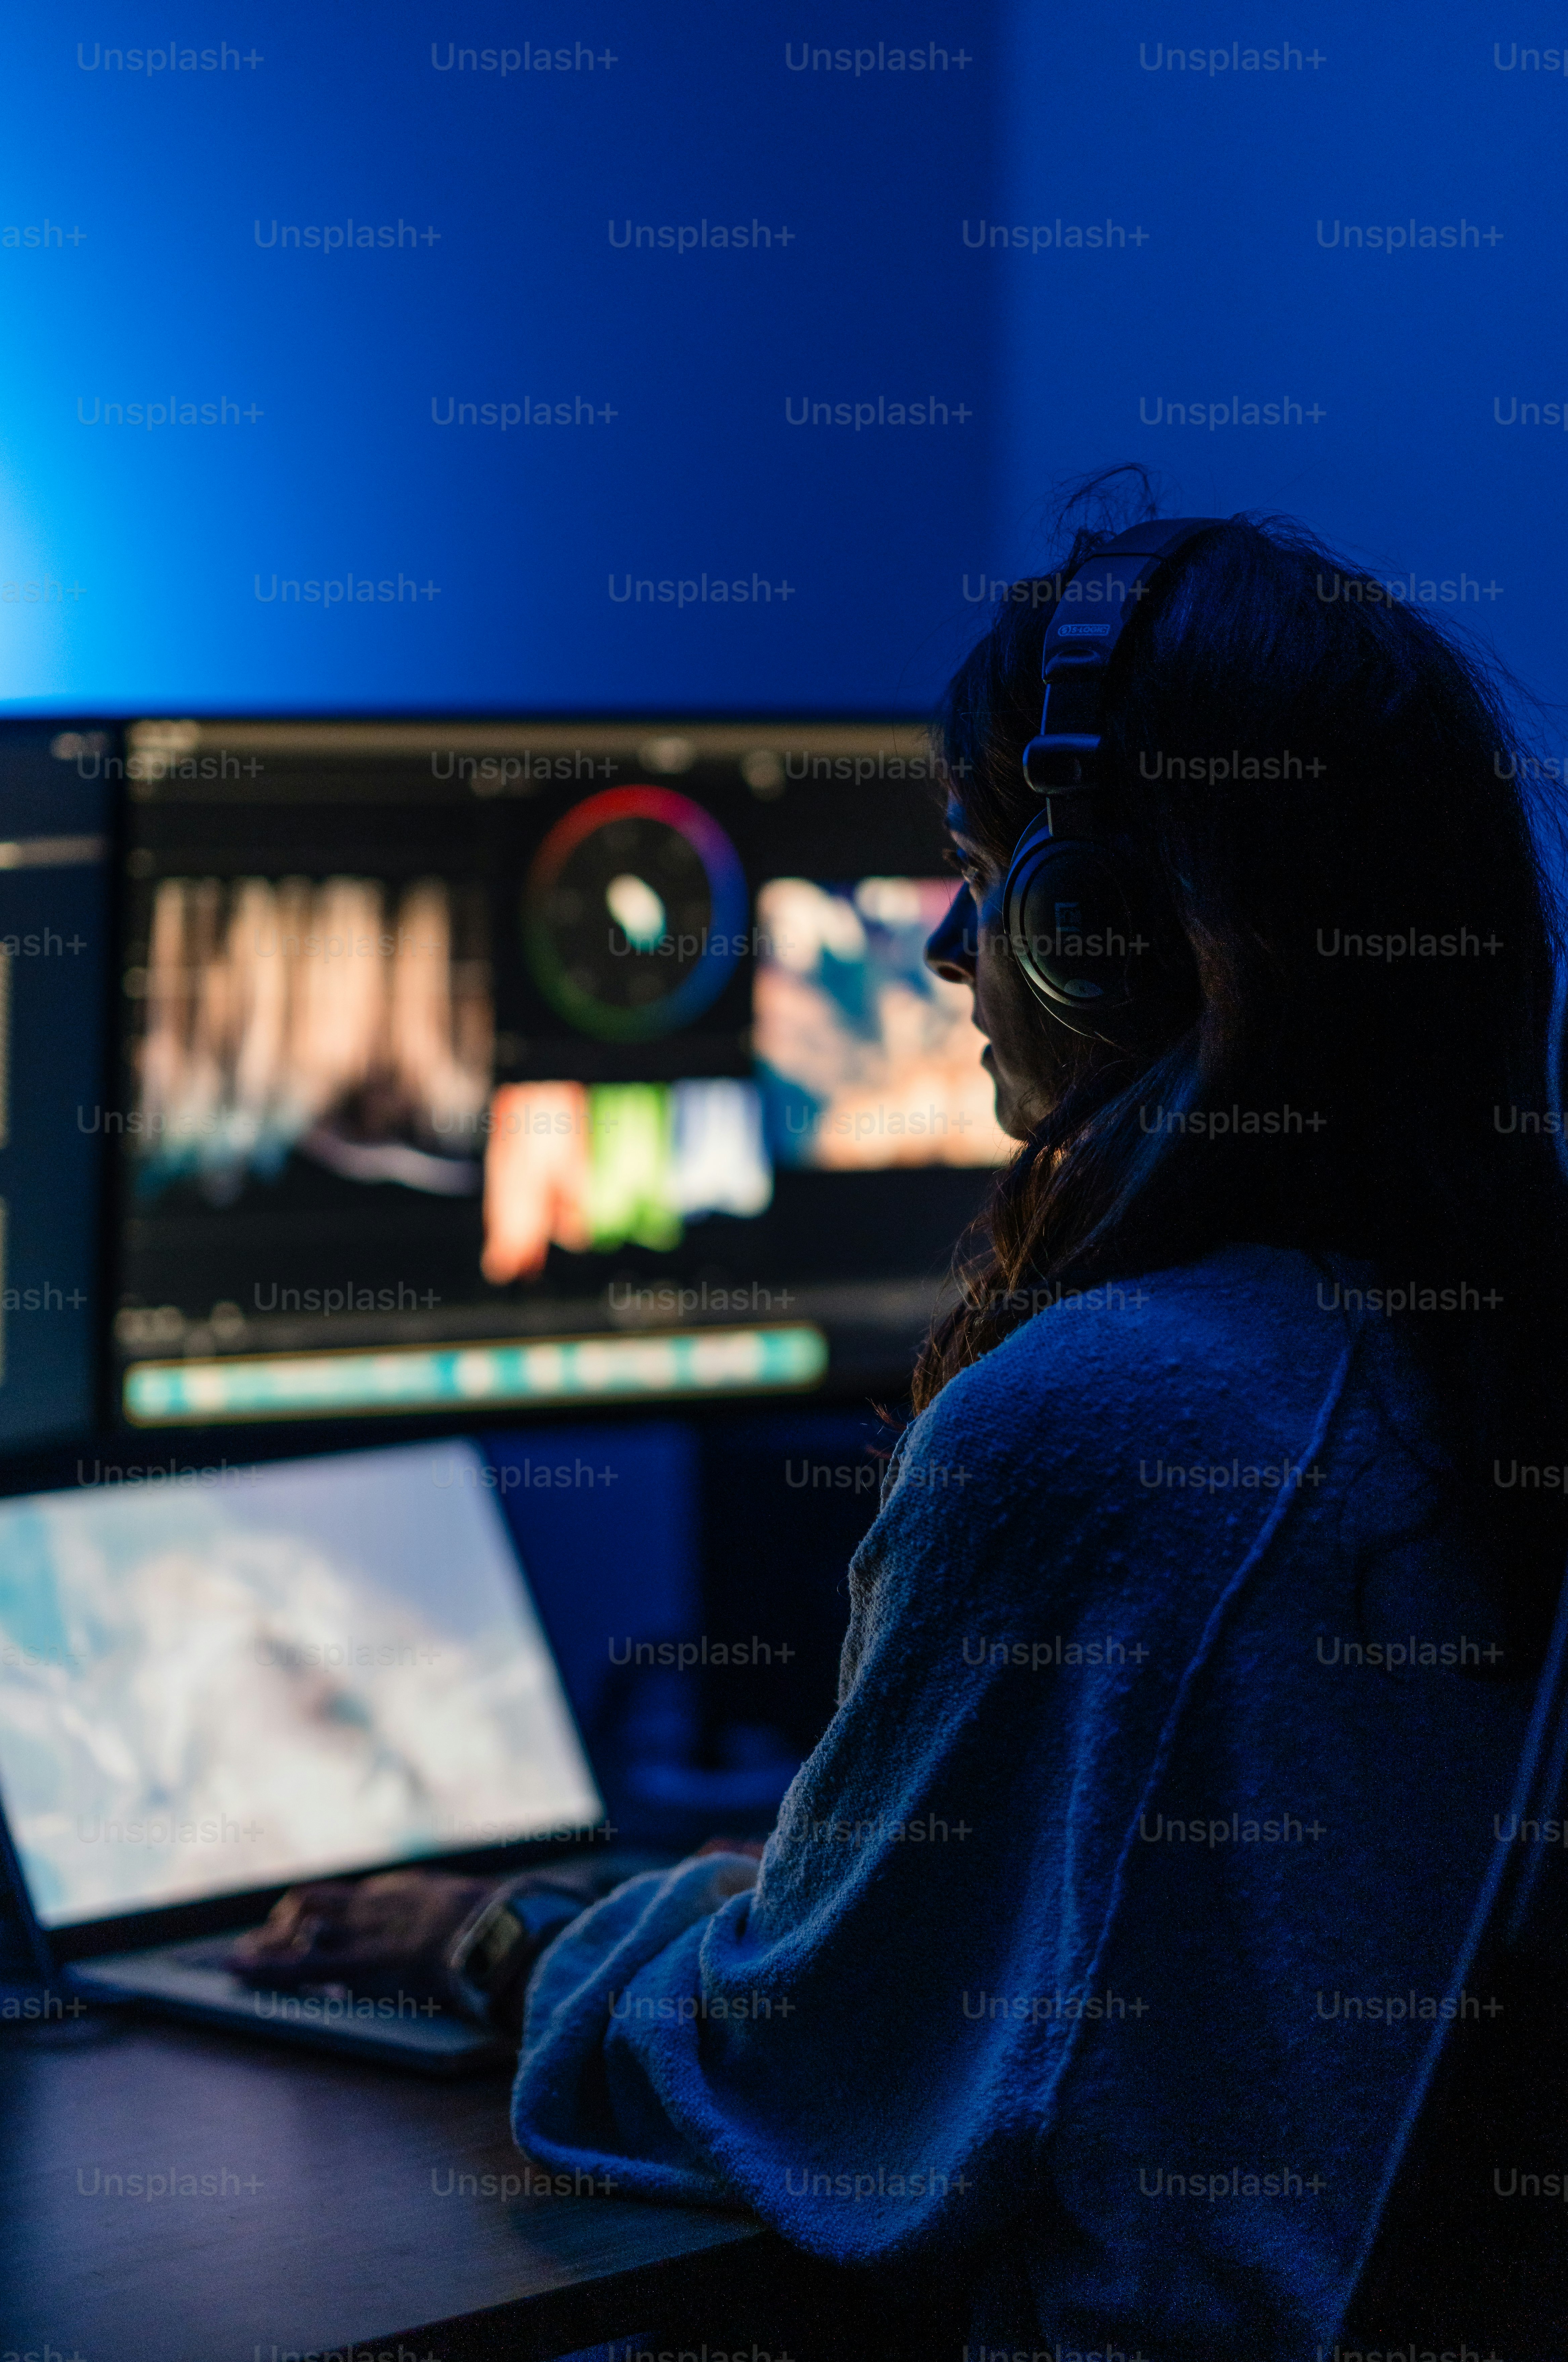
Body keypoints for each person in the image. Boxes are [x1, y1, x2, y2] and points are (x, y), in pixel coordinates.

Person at [233, 486, 1568, 2358]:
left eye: (984, 868)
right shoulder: (1474, 1353)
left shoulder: (1103, 1423)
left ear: (1106, 928)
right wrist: (766, 1897)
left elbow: (806, 2084)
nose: (948, 948)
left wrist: (500, 1938)